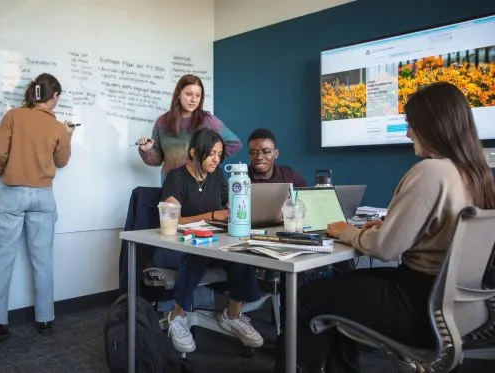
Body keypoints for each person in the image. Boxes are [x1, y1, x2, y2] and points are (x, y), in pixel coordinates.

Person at [274, 82, 495, 372]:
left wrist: (347, 231)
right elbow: (439, 233)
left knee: (305, 297)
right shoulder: (477, 174)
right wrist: (390, 225)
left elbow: (385, 248)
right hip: (461, 308)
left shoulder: (431, 171)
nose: (407, 133)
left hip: (418, 307)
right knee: (343, 293)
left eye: (410, 124)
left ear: (433, 125)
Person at [0, 73, 75, 342]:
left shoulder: (13, 116)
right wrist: (67, 135)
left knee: (0, 258)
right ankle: (45, 319)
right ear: (54, 96)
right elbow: (62, 161)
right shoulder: (58, 126)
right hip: (43, 196)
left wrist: (8, 172)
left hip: (12, 192)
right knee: (43, 260)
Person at [160, 128, 263, 353]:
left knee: (242, 253)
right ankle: (177, 316)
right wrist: (212, 215)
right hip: (181, 245)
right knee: (196, 255)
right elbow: (173, 221)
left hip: (214, 242)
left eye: (219, 154)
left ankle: (233, 316)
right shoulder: (176, 177)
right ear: (195, 152)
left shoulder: (217, 177)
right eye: (212, 154)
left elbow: (229, 205)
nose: (216, 159)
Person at [137, 74, 241, 179]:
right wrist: (147, 150)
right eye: (189, 94)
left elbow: (234, 143)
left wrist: (210, 157)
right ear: (178, 94)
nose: (194, 100)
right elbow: (157, 160)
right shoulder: (162, 122)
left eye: (198, 95)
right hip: (170, 187)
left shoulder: (208, 120)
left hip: (201, 186)